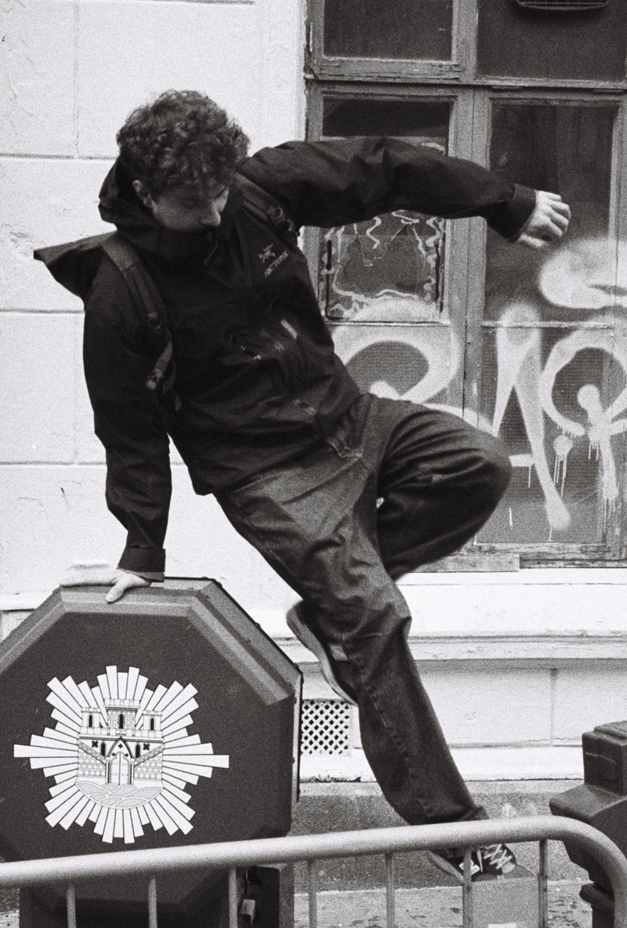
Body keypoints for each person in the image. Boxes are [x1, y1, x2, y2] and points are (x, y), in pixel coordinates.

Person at [48, 90, 570, 879]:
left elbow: (385, 167)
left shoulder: (258, 188)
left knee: (477, 463)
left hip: (349, 419)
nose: (216, 212)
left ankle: (332, 615)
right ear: (146, 193)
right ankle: (455, 832)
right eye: (195, 203)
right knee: (374, 616)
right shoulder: (123, 287)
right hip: (269, 475)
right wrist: (141, 546)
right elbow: (129, 429)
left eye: (221, 192)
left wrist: (505, 201)